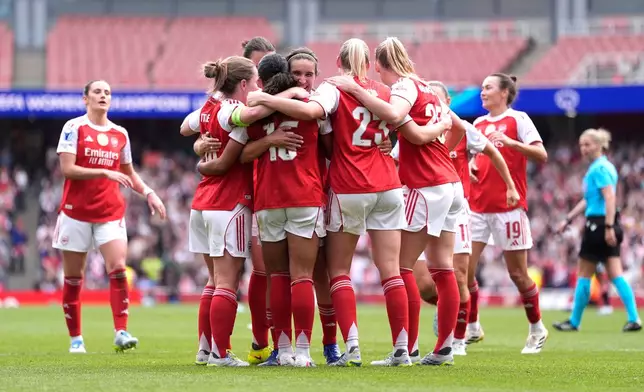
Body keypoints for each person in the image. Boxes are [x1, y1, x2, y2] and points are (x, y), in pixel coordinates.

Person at [247, 38, 444, 367]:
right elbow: (397, 123)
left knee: (336, 272)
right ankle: (402, 349)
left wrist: (265, 98)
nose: (303, 80)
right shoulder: (386, 91)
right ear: (369, 63)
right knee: (393, 271)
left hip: (348, 186)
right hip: (388, 185)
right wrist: (386, 140)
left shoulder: (332, 89)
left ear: (337, 62)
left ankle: (349, 346)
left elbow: (316, 122)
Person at [326, 37, 469, 366]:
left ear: (378, 64)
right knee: (442, 267)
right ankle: (445, 346)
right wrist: (444, 150)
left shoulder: (405, 87)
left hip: (426, 185)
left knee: (400, 268)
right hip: (450, 183)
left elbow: (396, 116)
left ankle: (409, 347)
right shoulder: (427, 87)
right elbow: (458, 126)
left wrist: (358, 91)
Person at [189, 55, 304, 367]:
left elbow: (187, 128)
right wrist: (288, 95)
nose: (258, 88)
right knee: (227, 282)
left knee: (213, 282)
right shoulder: (231, 111)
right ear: (242, 84)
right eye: (254, 82)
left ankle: (205, 349)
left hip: (202, 203)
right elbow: (252, 115)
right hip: (228, 202)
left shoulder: (207, 109)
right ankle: (221, 354)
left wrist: (200, 148)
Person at [394, 80, 519, 356]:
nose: (432, 107)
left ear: (447, 102)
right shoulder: (417, 132)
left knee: (458, 274)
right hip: (422, 202)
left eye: (438, 101)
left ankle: (456, 339)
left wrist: (510, 185)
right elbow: (393, 160)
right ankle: (452, 315)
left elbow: (493, 152)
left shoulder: (462, 129)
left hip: (455, 208)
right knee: (425, 284)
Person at [53, 80, 166, 354]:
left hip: (109, 212)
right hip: (75, 213)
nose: (103, 96)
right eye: (97, 92)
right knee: (73, 278)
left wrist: (149, 192)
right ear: (85, 99)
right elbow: (68, 169)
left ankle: (121, 331)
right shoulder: (74, 127)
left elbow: (128, 172)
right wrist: (104, 172)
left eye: (107, 93)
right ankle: (76, 338)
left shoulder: (120, 134)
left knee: (117, 269)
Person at [239, 52, 328, 366]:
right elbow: (330, 145)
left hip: (268, 200)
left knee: (277, 276)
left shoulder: (256, 110)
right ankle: (303, 353)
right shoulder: (310, 105)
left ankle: (283, 351)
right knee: (302, 277)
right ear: (290, 76)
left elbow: (242, 152)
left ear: (262, 81)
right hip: (304, 195)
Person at [467, 73, 549, 354]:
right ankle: (473, 326)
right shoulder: (477, 123)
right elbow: (470, 156)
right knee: (464, 272)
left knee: (518, 274)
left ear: (504, 92)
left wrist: (512, 143)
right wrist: (470, 167)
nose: (482, 92)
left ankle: (537, 328)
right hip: (477, 206)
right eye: (481, 88)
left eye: (488, 87)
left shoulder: (519, 119)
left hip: (509, 208)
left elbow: (541, 155)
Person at [553, 128, 641, 332]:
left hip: (598, 224)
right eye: (581, 145)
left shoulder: (599, 169)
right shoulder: (603, 167)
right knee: (615, 274)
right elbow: (589, 199)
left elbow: (610, 197)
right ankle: (634, 318)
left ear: (599, 145)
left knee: (584, 272)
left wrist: (608, 226)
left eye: (587, 144)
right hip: (606, 222)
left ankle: (574, 321)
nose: (583, 149)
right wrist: (568, 219)